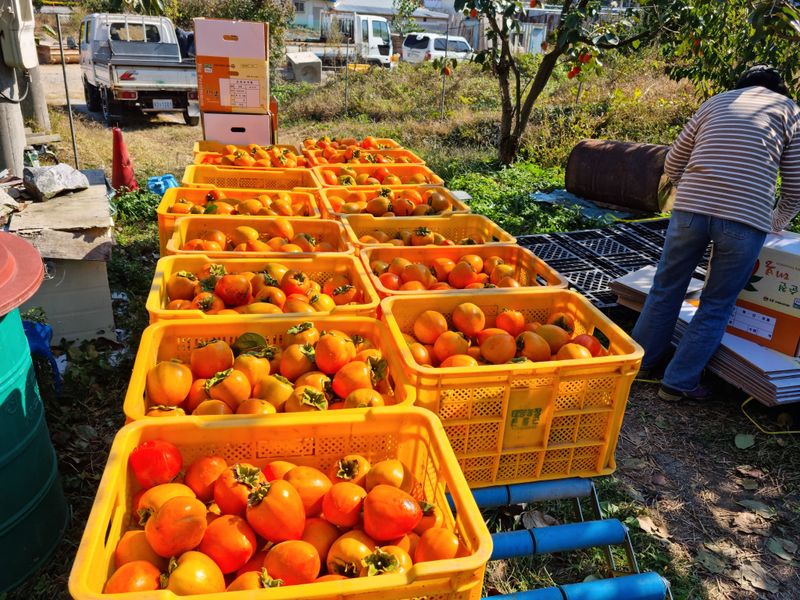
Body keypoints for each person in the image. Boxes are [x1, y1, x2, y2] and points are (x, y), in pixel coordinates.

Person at [632, 65, 800, 401]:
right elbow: (796, 183)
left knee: (666, 287)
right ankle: (677, 383)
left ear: (740, 86)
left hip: (690, 212)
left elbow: (673, 160)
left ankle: (640, 365)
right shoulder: (789, 111)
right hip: (743, 220)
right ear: (778, 89)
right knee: (716, 304)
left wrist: (690, 191)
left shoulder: (716, 102)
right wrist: (776, 222)